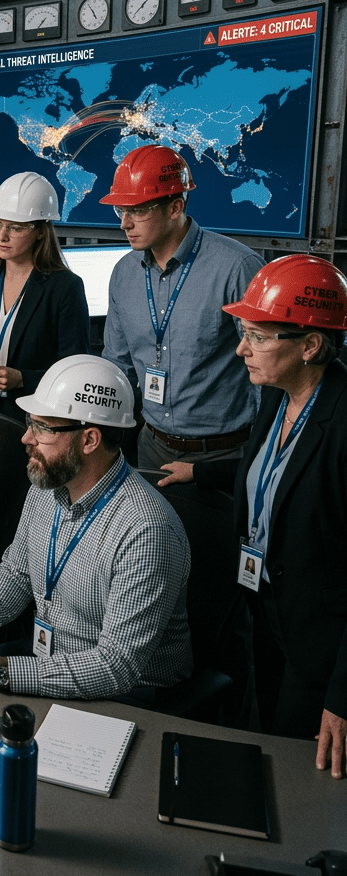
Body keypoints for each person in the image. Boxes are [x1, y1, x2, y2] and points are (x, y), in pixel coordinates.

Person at [158, 254, 347, 778]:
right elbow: (271, 467)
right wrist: (202, 473)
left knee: (299, 770)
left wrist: (343, 696)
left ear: (310, 345)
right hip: (263, 609)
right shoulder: (277, 396)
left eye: (258, 337)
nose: (241, 349)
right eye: (244, 333)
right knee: (265, 732)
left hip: (317, 641)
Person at [0, 354, 192, 700]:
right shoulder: (47, 485)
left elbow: (115, 667)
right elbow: (17, 572)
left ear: (89, 440)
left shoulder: (146, 530)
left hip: (130, 695)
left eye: (43, 427)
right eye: (30, 423)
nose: (26, 438)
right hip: (48, 659)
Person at [100, 145, 264, 471]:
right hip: (151, 447)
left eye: (138, 211)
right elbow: (117, 366)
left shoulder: (237, 268)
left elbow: (268, 370)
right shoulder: (124, 273)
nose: (125, 224)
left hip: (222, 456)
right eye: (121, 210)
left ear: (175, 207)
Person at [0, 171, 89, 419]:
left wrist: (22, 379)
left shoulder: (65, 287)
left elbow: (73, 371)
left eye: (15, 228)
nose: (2, 236)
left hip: (28, 414)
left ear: (40, 231)